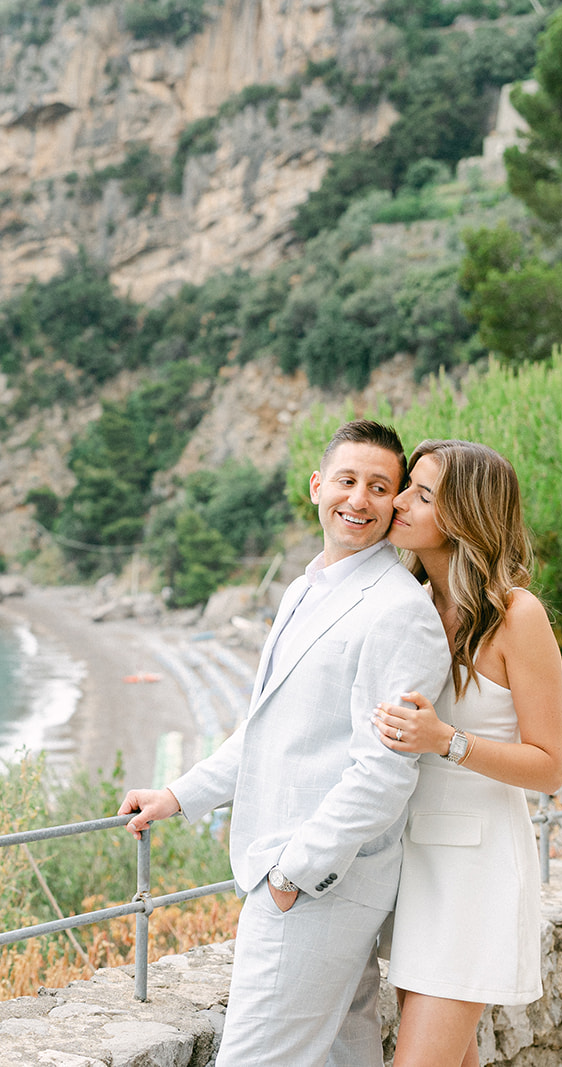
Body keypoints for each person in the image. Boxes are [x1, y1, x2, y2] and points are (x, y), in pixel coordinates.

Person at [120, 419, 451, 1067]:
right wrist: (178, 795)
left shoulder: (399, 610)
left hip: (316, 884)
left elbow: (385, 769)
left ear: (394, 501)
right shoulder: (304, 588)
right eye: (348, 480)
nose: (359, 498)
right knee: (342, 1055)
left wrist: (294, 872)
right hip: (301, 880)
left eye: (380, 486)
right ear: (316, 485)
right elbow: (269, 730)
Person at [371, 440, 562, 1067]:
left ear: (465, 516)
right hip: (410, 866)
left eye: (421, 495)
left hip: (475, 872)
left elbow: (549, 765)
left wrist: (446, 741)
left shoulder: (518, 616)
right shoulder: (406, 604)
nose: (398, 502)